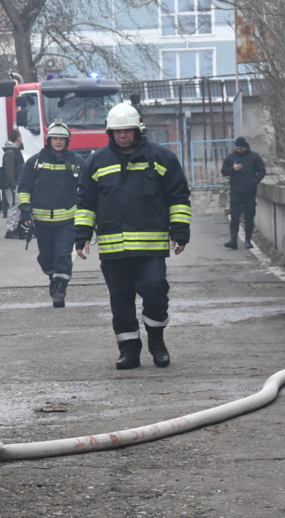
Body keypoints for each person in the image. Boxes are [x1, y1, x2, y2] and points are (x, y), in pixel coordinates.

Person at [75, 103, 191, 370]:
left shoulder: (162, 158)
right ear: (110, 132)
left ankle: (157, 341)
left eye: (127, 130)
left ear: (137, 130)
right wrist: (82, 234)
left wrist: (180, 231)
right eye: (117, 131)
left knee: (155, 291)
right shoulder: (96, 162)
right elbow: (85, 202)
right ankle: (129, 350)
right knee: (121, 300)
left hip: (151, 249)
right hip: (114, 250)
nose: (122, 135)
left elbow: (178, 197)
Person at [17, 120, 81, 307]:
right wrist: (25, 210)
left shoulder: (77, 163)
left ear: (67, 140)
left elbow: (86, 190)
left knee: (63, 254)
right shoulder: (35, 162)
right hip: (42, 221)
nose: (58, 141)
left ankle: (60, 289)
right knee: (46, 258)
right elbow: (24, 187)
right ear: (49, 140)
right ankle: (53, 276)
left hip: (68, 220)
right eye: (55, 138)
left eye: (62, 138)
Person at [221, 137, 266, 250]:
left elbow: (262, 171)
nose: (239, 150)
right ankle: (233, 240)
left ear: (246, 147)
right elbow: (224, 171)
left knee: (249, 216)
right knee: (234, 216)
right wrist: (233, 168)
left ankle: (248, 240)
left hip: (249, 192)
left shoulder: (254, 157)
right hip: (235, 191)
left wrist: (254, 181)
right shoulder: (231, 157)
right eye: (237, 148)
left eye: (241, 148)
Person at [0, 129, 25, 240]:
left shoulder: (14, 151)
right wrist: (13, 185)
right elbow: (9, 171)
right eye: (21, 136)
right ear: (18, 138)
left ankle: (14, 228)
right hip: (12, 185)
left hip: (15, 183)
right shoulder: (11, 153)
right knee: (14, 205)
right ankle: (10, 230)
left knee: (16, 205)